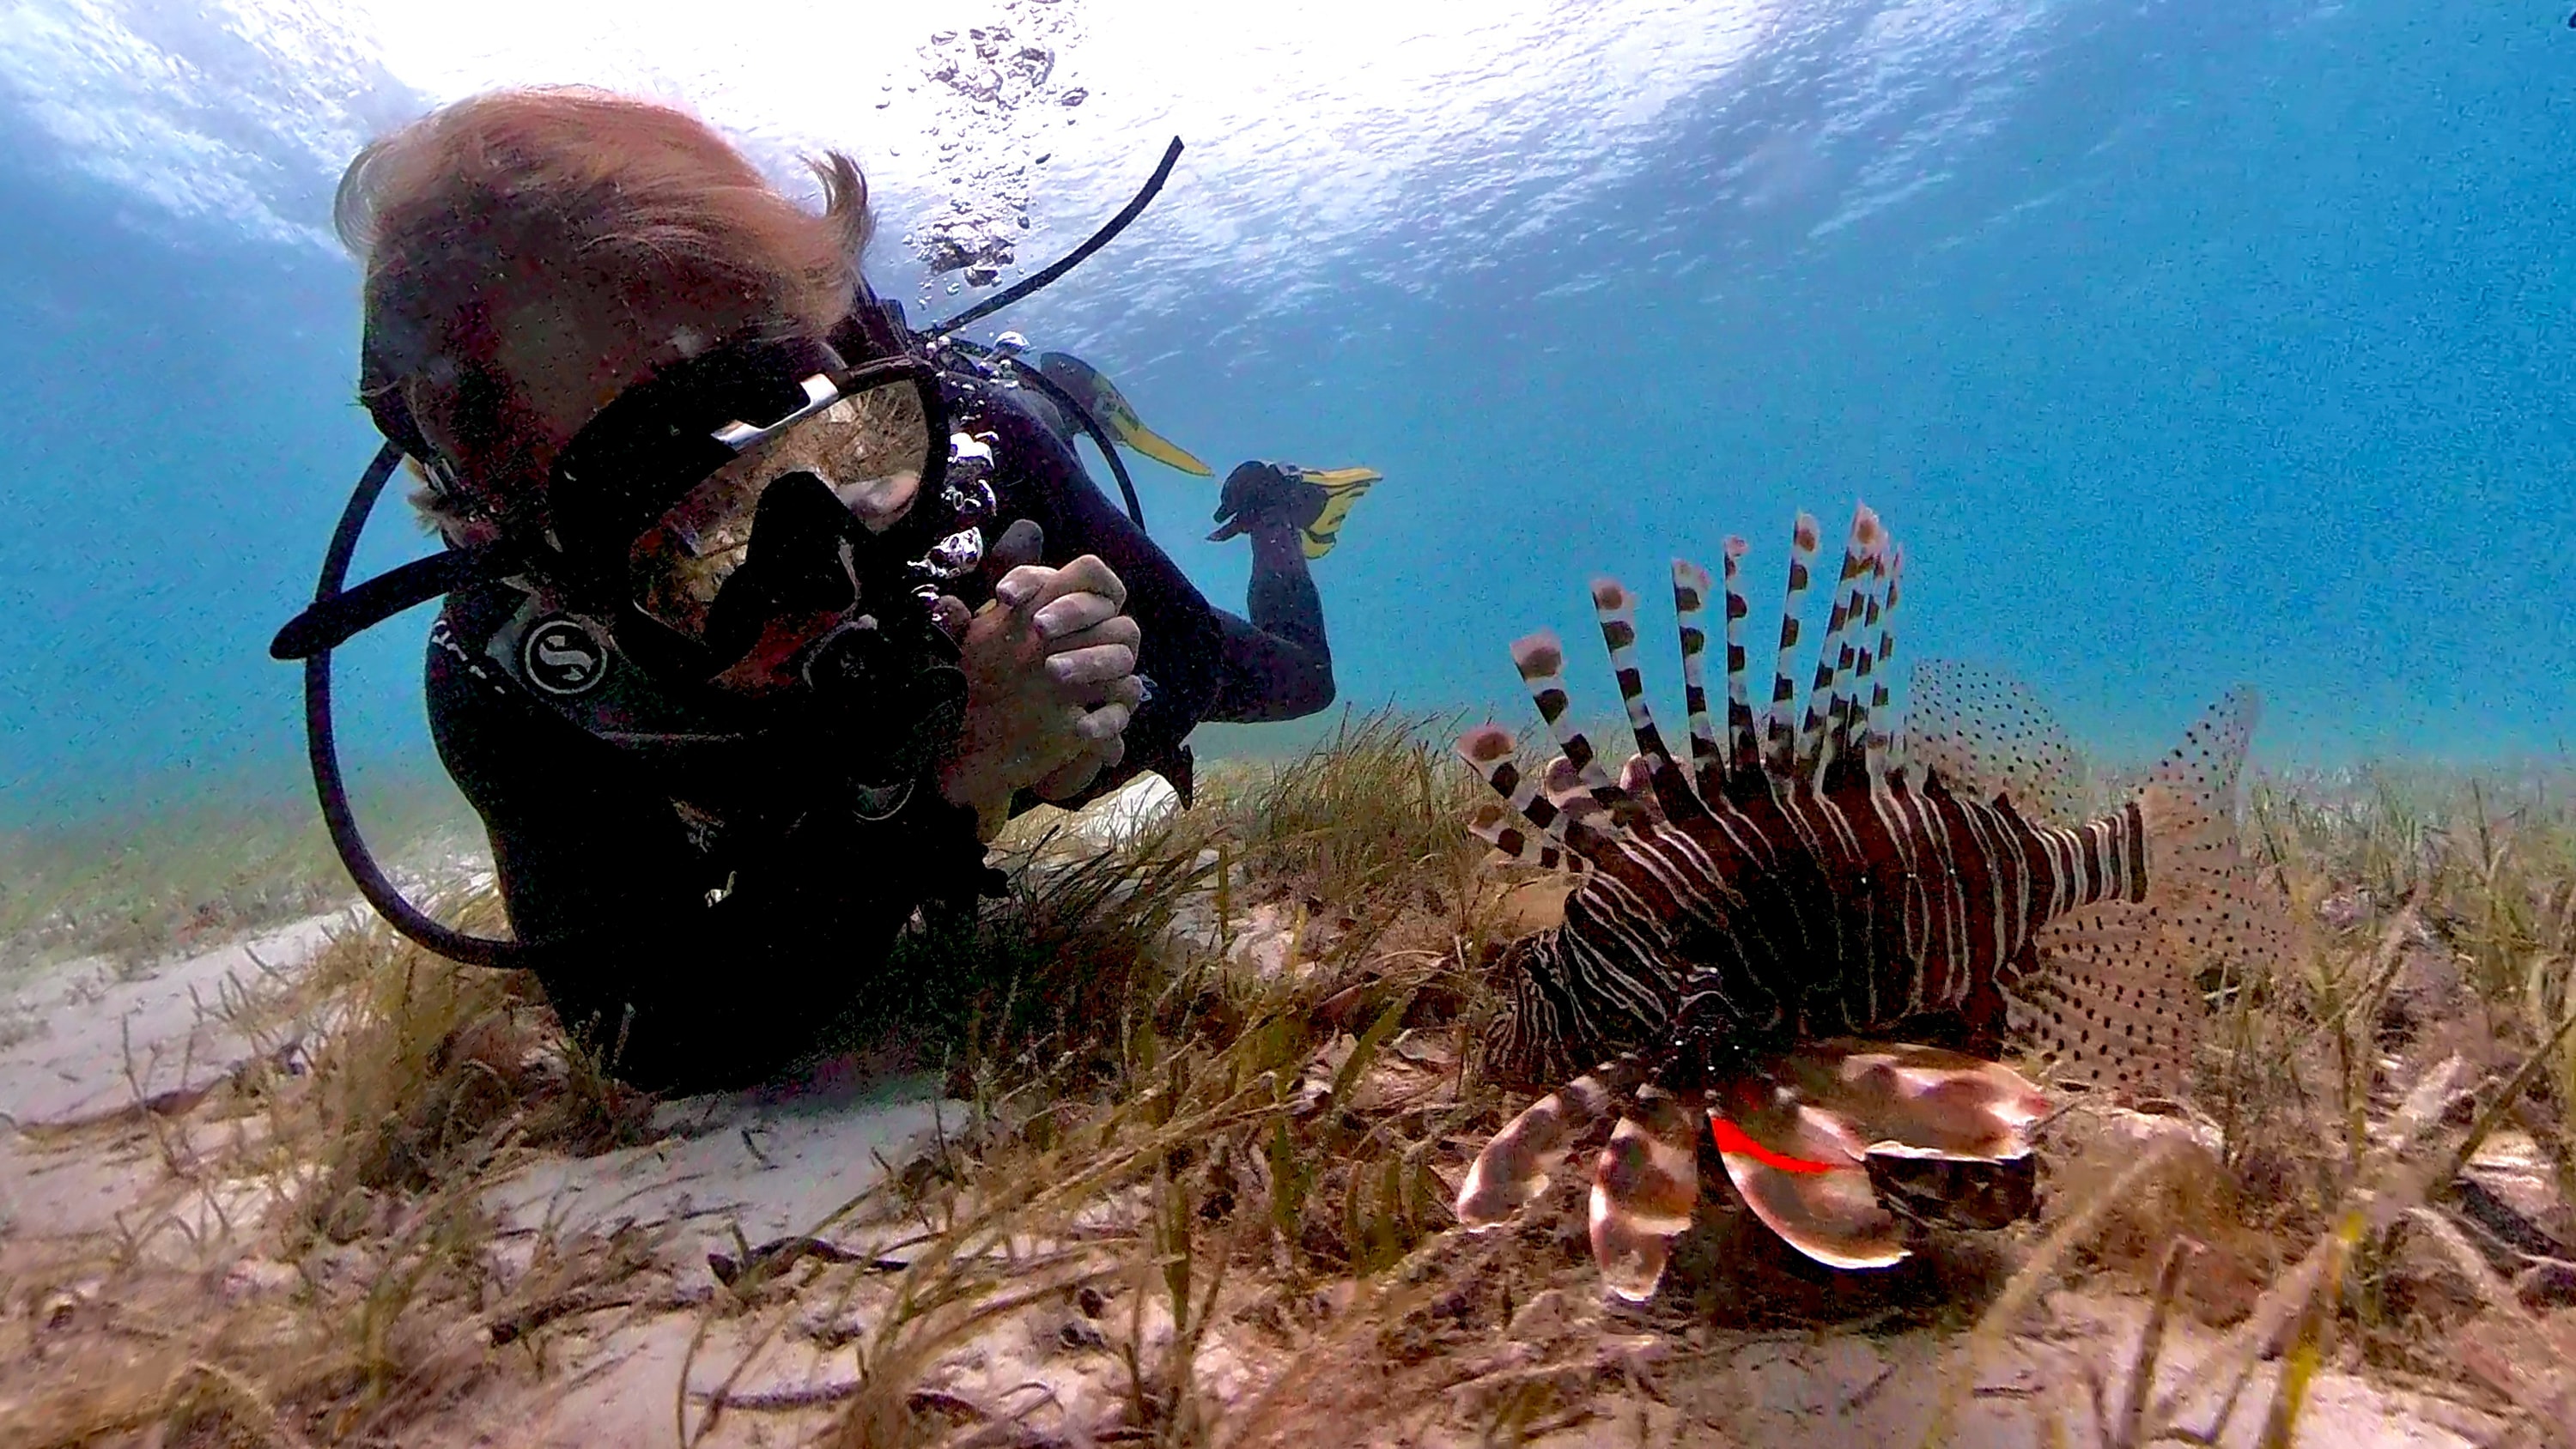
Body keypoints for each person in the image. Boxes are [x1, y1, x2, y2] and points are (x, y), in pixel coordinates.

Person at [332, 87, 1368, 1092]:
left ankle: (1272, 516)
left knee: (1298, 682)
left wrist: (1073, 705)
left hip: (1005, 472)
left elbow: (1179, 664)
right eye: (695, 529)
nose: (820, 571)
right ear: (517, 541)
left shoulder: (973, 445)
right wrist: (951, 778)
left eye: (844, 448)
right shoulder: (518, 669)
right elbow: (655, 1033)